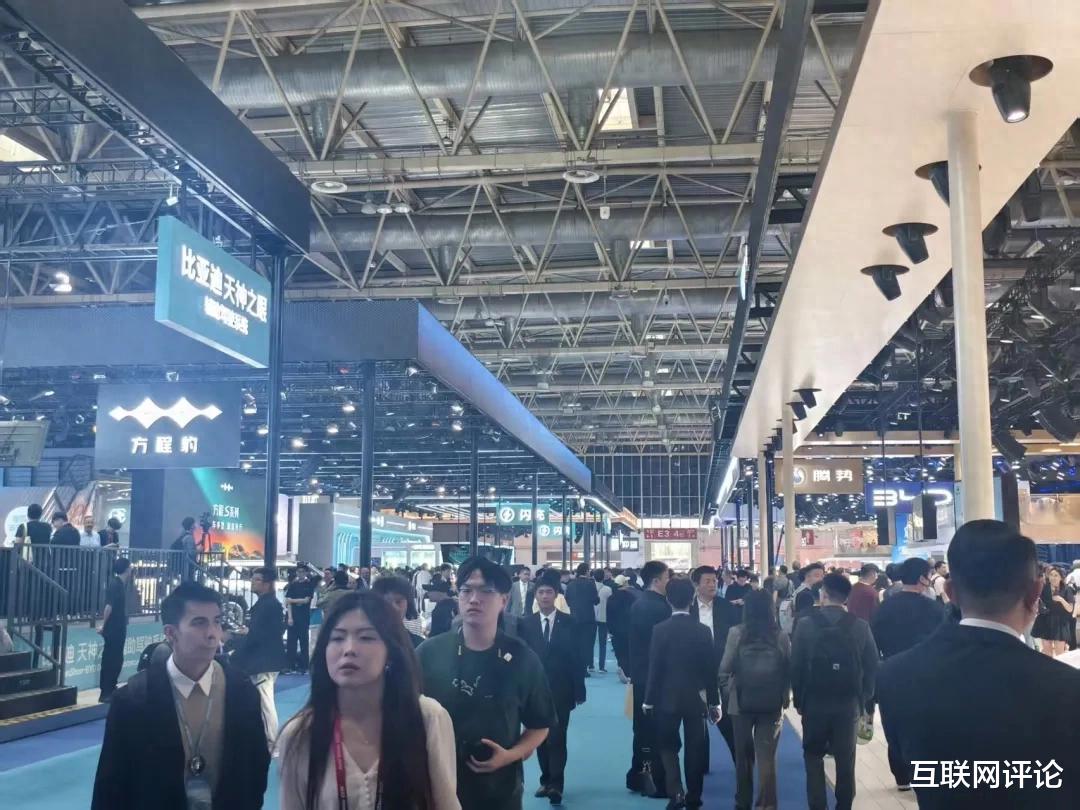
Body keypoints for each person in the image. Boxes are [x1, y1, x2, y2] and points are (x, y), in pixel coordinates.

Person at [878, 520, 1080, 808]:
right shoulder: (1067, 687)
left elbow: (908, 765)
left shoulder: (895, 676)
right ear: (1036, 591)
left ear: (950, 591)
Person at [92, 582, 269, 810]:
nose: (212, 634)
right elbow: (111, 785)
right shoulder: (133, 699)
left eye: (216, 621)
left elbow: (256, 768)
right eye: (199, 623)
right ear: (171, 633)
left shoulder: (241, 692)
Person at [277, 591, 460, 810]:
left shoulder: (427, 718)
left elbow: (446, 804)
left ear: (391, 651)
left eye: (366, 638)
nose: (349, 649)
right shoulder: (301, 734)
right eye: (337, 638)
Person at [417, 556, 555, 810]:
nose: (474, 599)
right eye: (466, 590)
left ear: (504, 600)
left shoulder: (522, 658)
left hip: (498, 789)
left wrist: (511, 755)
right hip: (433, 786)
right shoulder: (429, 653)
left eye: (486, 591)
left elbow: (540, 723)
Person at [791, 572, 878, 810]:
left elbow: (796, 665)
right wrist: (864, 697)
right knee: (845, 759)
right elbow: (872, 665)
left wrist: (799, 700)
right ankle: (844, 805)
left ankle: (818, 805)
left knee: (813, 756)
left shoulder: (806, 625)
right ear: (846, 598)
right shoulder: (860, 626)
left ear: (823, 594)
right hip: (848, 703)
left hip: (814, 701)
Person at [644, 577, 720, 810]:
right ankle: (694, 797)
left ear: (668, 600)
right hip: (696, 699)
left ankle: (676, 792)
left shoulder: (659, 630)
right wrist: (714, 702)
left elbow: (655, 668)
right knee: (695, 749)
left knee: (668, 746)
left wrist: (648, 700)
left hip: (666, 698)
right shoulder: (703, 631)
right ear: (692, 599)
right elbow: (710, 670)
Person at [720, 590, 791, 810]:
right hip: (771, 704)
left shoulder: (736, 633)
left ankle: (743, 802)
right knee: (767, 757)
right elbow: (788, 670)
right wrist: (784, 698)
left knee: (743, 756)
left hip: (740, 702)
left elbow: (724, 669)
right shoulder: (780, 636)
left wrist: (729, 691)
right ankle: (767, 805)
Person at [520, 571, 586, 805]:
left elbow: (578, 658)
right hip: (534, 691)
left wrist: (579, 689)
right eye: (541, 592)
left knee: (557, 737)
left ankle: (557, 784)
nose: (545, 596)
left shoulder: (570, 622)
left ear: (556, 595)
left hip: (562, 688)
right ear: (536, 596)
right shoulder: (525, 624)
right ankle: (545, 779)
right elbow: (522, 660)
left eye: (549, 592)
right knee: (539, 737)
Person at [627, 560, 672, 795]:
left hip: (641, 674)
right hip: (654, 677)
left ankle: (638, 775)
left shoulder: (640, 603)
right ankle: (652, 778)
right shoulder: (658, 607)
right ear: (656, 580)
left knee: (642, 728)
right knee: (653, 730)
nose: (669, 582)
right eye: (667, 578)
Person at [231, 566, 288, 748]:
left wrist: (240, 645)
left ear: (267, 584)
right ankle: (268, 739)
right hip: (264, 659)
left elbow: (260, 635)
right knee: (262, 700)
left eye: (257, 580)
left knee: (265, 702)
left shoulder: (268, 605)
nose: (252, 583)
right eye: (253, 579)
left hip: (265, 661)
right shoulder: (268, 604)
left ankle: (272, 741)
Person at [689, 565, 738, 764]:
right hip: (696, 672)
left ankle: (741, 766)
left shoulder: (726, 607)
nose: (712, 585)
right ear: (696, 585)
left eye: (714, 581)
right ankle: (702, 763)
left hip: (722, 670)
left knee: (727, 723)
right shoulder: (688, 608)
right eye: (707, 581)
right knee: (697, 725)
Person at [98, 557, 133, 702]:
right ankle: (106, 691)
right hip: (113, 629)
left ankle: (111, 688)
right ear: (126, 569)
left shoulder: (120, 584)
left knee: (117, 659)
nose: (131, 569)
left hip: (118, 627)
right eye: (130, 567)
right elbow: (109, 607)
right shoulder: (115, 584)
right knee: (110, 660)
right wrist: (103, 625)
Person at [372, 575, 426, 648]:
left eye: (398, 601)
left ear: (408, 603)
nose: (394, 607)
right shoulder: (365, 643)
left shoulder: (420, 645)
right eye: (387, 602)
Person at [564, 563, 600, 672]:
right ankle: (586, 667)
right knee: (587, 643)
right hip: (588, 618)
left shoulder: (571, 584)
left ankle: (576, 666)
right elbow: (596, 600)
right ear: (587, 571)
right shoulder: (590, 584)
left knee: (576, 643)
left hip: (574, 617)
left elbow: (567, 601)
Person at [1033, 565, 1075, 657]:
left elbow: (1070, 609)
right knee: (1047, 654)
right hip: (1045, 620)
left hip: (1060, 622)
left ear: (1061, 577)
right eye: (1051, 575)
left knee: (1060, 655)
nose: (1053, 577)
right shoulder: (1044, 588)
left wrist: (1061, 600)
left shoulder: (1066, 589)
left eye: (1056, 575)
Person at [606, 574, 638, 683]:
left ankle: (622, 669)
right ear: (625, 584)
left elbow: (609, 616)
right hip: (629, 629)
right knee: (628, 651)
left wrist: (610, 630)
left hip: (616, 631)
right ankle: (629, 673)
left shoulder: (611, 598)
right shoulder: (632, 597)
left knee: (619, 652)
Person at [284, 567, 316, 673]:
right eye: (298, 572)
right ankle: (290, 666)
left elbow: (306, 600)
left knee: (304, 642)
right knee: (291, 642)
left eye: (302, 571)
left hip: (304, 617)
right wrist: (290, 617)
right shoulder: (293, 585)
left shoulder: (309, 585)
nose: (300, 573)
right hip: (293, 617)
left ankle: (304, 666)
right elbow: (288, 602)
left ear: (306, 573)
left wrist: (293, 600)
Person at [791, 563, 824, 627]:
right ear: (807, 576)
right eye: (817, 576)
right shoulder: (805, 595)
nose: (821, 579)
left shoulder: (802, 590)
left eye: (822, 576)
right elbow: (807, 618)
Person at [593, 569, 613, 674]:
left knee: (590, 642)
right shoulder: (608, 589)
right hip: (603, 617)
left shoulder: (590, 588)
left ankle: (590, 665)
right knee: (602, 643)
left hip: (591, 617)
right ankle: (601, 667)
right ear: (603, 577)